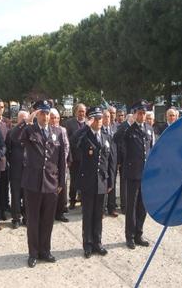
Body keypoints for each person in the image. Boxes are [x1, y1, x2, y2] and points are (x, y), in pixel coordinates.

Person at [21, 100, 66, 268]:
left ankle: (45, 251)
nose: (46, 117)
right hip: (32, 183)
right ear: (37, 114)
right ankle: (33, 253)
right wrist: (28, 120)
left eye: (47, 113)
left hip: (51, 183)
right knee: (33, 220)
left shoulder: (58, 132)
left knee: (48, 220)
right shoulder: (29, 130)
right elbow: (14, 137)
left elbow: (61, 159)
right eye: (42, 113)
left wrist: (61, 181)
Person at [75, 106, 115, 258]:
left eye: (100, 118)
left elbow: (110, 160)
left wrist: (110, 180)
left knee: (99, 214)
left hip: (102, 181)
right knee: (88, 214)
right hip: (88, 182)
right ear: (90, 120)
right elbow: (74, 142)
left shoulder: (106, 136)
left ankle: (98, 242)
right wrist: (85, 126)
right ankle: (87, 244)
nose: (99, 121)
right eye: (96, 118)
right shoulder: (84, 136)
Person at [124, 100, 153, 249]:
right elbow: (118, 140)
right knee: (132, 206)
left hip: (146, 174)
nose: (142, 116)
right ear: (134, 114)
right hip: (133, 173)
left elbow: (151, 150)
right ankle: (129, 236)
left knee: (143, 207)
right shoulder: (129, 129)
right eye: (139, 113)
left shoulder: (149, 128)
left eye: (144, 113)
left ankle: (138, 234)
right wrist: (128, 124)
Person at [5, 110, 28, 228]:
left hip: (29, 170)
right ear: (18, 120)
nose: (24, 121)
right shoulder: (12, 132)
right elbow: (7, 149)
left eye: (26, 118)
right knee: (16, 195)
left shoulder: (31, 131)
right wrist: (13, 162)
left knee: (27, 196)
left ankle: (26, 217)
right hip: (16, 169)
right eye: (22, 119)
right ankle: (16, 218)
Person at [64, 103, 86, 209]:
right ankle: (72, 200)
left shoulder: (88, 123)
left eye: (83, 111)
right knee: (74, 180)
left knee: (84, 180)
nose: (82, 113)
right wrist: (70, 157)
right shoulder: (69, 123)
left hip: (86, 157)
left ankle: (82, 199)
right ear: (75, 112)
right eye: (80, 111)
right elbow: (67, 141)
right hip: (74, 157)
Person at [49, 108, 70, 223]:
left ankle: (60, 212)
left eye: (56, 118)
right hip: (49, 165)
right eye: (52, 118)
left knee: (62, 188)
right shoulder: (46, 130)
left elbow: (66, 146)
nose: (54, 120)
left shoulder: (62, 130)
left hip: (61, 164)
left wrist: (62, 159)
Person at [113, 113, 133, 214]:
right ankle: (124, 206)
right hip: (124, 160)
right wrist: (119, 161)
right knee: (124, 183)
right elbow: (118, 144)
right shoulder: (123, 127)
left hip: (133, 161)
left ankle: (129, 205)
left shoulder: (134, 127)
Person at [101, 109, 118, 217]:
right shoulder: (99, 129)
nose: (107, 118)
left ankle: (111, 208)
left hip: (113, 160)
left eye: (108, 116)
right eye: (105, 117)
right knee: (103, 184)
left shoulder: (115, 128)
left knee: (112, 182)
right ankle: (102, 209)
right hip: (103, 160)